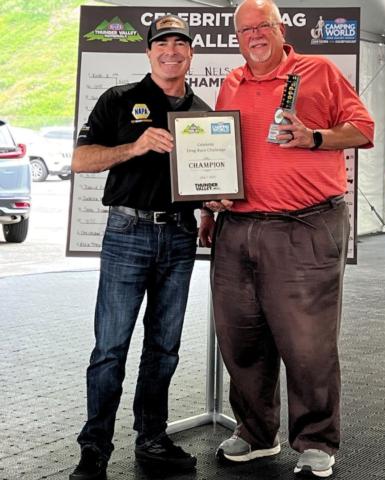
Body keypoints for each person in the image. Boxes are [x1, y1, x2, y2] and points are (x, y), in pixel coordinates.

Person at [206, 1, 374, 478]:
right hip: (237, 227)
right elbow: (223, 152)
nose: (255, 35)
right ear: (237, 37)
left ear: (281, 30)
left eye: (264, 26)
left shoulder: (318, 71)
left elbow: (363, 129)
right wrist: (211, 197)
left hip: (305, 227)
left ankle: (316, 440)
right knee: (241, 338)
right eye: (246, 29)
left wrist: (314, 137)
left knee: (307, 343)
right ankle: (257, 434)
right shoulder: (232, 82)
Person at [69, 15, 214, 480]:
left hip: (178, 235)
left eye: (180, 44)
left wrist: (211, 206)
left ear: (191, 54)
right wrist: (134, 146)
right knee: (110, 348)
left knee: (164, 347)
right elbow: (80, 160)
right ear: (149, 52)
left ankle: (152, 436)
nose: (171, 51)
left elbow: (205, 178)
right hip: (127, 234)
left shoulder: (202, 111)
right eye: (162, 44)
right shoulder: (119, 99)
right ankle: (95, 446)